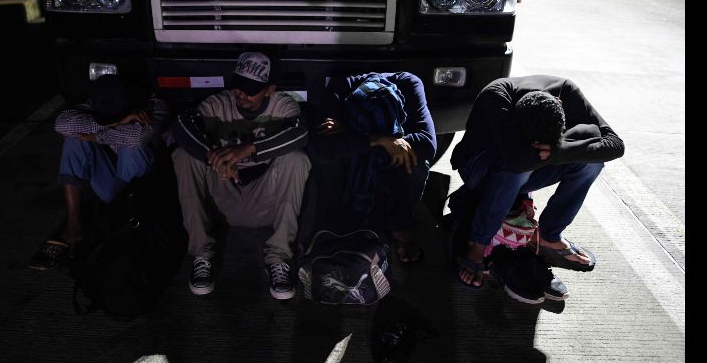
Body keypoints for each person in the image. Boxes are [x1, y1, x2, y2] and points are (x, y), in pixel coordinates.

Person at [449, 75, 624, 299]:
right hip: (479, 166)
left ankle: (549, 235)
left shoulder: (566, 92)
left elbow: (616, 145)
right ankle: (477, 245)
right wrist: (562, 148)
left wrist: (559, 150)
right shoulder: (496, 97)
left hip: (529, 163)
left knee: (591, 162)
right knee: (520, 168)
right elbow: (517, 161)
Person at [171, 52, 310, 300]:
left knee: (296, 158)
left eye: (251, 90)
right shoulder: (218, 104)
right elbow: (181, 124)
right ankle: (202, 254)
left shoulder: (283, 105)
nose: (242, 95)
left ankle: (278, 257)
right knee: (184, 155)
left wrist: (248, 149)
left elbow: (300, 134)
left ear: (270, 89)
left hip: (266, 200)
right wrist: (214, 158)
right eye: (239, 86)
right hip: (223, 195)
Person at [28, 74, 171, 270]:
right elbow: (61, 124)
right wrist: (112, 123)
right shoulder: (101, 101)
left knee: (131, 148)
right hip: (114, 188)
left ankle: (124, 225)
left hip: (146, 190)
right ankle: (74, 226)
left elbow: (138, 137)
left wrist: (97, 136)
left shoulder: (156, 106)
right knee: (74, 139)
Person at [307, 72, 436, 264]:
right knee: (328, 158)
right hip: (354, 165)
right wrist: (377, 139)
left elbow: (427, 144)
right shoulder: (342, 86)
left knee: (414, 161)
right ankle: (336, 223)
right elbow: (321, 147)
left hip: (385, 163)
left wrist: (350, 134)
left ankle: (399, 226)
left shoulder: (409, 84)